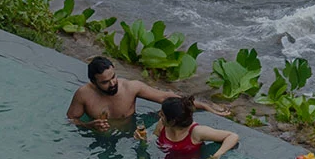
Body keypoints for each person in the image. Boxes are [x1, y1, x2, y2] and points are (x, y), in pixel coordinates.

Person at [66, 56, 228, 131]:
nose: (112, 83)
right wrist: (88, 126)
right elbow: (71, 120)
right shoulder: (83, 94)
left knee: (165, 113)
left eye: (113, 77)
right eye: (105, 82)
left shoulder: (131, 87)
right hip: (98, 137)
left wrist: (206, 107)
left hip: (132, 133)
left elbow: (166, 97)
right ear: (93, 82)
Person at [137, 95, 238, 159]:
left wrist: (216, 157)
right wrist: (144, 139)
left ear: (172, 121)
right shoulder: (162, 124)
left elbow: (232, 136)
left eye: (162, 114)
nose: (159, 115)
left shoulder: (196, 132)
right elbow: (155, 138)